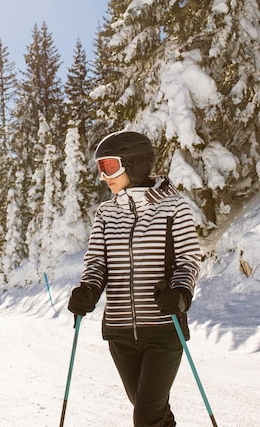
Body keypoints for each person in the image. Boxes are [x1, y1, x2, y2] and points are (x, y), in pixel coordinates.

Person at [68, 130, 201, 427]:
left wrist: (180, 293)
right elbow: (97, 264)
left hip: (164, 330)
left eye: (110, 167)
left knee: (145, 416)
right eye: (101, 168)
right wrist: (88, 289)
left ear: (135, 163)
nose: (105, 176)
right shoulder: (105, 213)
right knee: (153, 412)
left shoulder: (173, 207)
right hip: (120, 333)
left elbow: (188, 260)